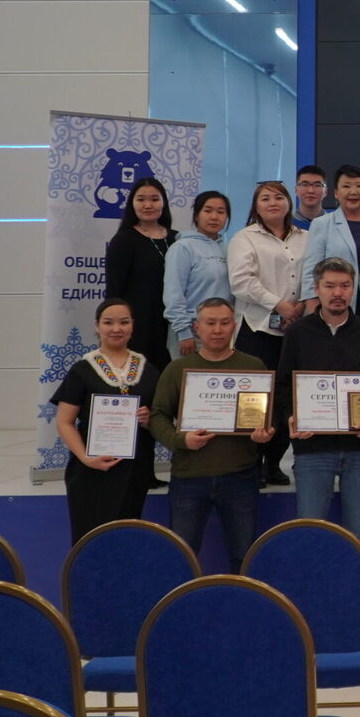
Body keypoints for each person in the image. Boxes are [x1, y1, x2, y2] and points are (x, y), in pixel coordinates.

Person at [275, 257, 360, 546]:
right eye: (330, 285)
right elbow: (282, 386)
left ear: (353, 288)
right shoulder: (297, 333)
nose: (338, 293)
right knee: (309, 535)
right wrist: (291, 417)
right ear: (316, 289)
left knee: (358, 537)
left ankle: (357, 579)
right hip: (312, 449)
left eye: (345, 286)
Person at [148, 297, 273, 573]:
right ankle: (182, 602)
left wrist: (264, 434)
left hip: (240, 476)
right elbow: (157, 416)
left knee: (244, 557)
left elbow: (265, 418)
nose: (217, 330)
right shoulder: (177, 369)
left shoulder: (253, 367)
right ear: (197, 327)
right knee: (182, 557)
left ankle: (241, 599)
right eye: (210, 323)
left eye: (224, 323)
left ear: (234, 326)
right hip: (189, 477)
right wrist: (180, 440)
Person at [50, 297, 160, 543]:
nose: (116, 328)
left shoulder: (148, 369)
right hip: (91, 469)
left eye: (124, 322)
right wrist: (86, 458)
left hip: (135, 470)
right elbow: (64, 422)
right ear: (97, 326)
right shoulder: (82, 369)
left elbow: (159, 418)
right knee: (90, 539)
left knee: (127, 538)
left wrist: (148, 419)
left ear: (132, 325)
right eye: (108, 322)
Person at [227, 181, 307, 485]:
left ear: (288, 202)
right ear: (256, 206)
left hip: (297, 329)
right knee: (256, 399)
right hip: (258, 328)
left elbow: (313, 275)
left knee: (289, 398)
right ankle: (252, 463)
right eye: (265, 198)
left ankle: (274, 463)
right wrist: (279, 306)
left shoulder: (306, 237)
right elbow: (241, 282)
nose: (273, 202)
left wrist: (299, 307)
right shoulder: (244, 238)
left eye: (278, 197)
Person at [104, 176, 177, 373]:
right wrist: (119, 325)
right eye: (141, 199)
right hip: (139, 326)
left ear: (163, 202)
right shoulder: (123, 240)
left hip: (172, 325)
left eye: (154, 199)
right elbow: (114, 292)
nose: (148, 205)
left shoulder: (177, 239)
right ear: (132, 204)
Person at [299, 165, 360, 319]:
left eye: (359, 186)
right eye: (346, 186)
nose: (353, 192)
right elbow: (310, 273)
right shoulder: (322, 224)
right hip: (337, 306)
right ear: (336, 193)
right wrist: (316, 316)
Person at [163, 191, 231, 359]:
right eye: (208, 210)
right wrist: (183, 331)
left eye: (221, 212)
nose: (214, 217)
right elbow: (173, 293)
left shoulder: (228, 248)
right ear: (196, 215)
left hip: (221, 330)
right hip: (191, 330)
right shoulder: (182, 248)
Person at [291, 164, 327, 229]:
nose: (311, 190)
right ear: (296, 190)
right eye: (305, 184)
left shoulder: (335, 225)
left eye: (317, 185)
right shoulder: (284, 225)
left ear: (325, 191)